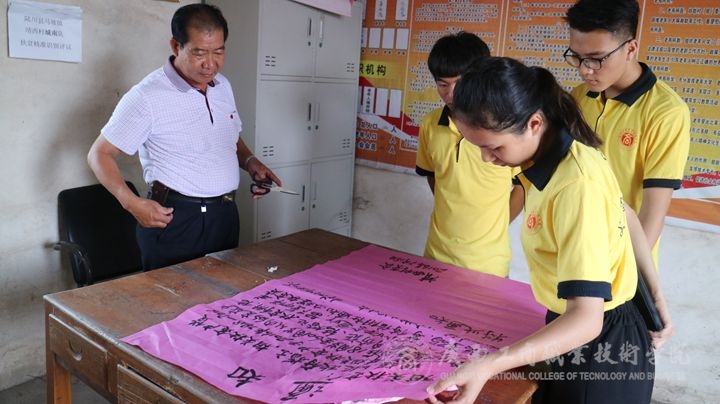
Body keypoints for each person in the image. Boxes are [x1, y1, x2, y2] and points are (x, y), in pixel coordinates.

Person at [426, 57, 674, 404]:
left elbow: (586, 320)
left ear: (534, 123)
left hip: (598, 347)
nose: (486, 158)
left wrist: (489, 365)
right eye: (478, 147)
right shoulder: (564, 157)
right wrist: (657, 296)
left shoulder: (575, 185)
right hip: (574, 330)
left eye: (494, 147)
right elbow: (627, 215)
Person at [88, 3, 280, 271]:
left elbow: (229, 136)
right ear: (176, 46)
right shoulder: (147, 96)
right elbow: (99, 154)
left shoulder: (223, 86)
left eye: (218, 52)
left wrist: (250, 162)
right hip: (175, 220)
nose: (210, 64)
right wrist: (131, 203)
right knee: (172, 297)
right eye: (199, 52)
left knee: (225, 293)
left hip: (224, 215)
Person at [564, 0, 690, 263]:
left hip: (622, 263)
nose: (585, 69)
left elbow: (653, 213)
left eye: (597, 59)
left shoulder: (665, 112)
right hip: (574, 252)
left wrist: (625, 273)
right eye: (576, 57)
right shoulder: (579, 97)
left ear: (631, 48)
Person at [415, 32, 523, 277]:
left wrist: (495, 225)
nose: (451, 94)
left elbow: (523, 186)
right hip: (436, 255)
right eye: (442, 84)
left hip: (488, 264)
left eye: (460, 83)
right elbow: (433, 175)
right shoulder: (430, 125)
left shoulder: (506, 127)